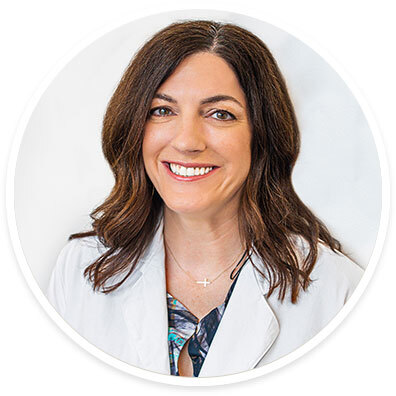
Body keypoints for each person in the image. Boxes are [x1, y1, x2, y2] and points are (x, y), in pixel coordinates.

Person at [47, 20, 363, 378]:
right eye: (162, 110)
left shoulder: (338, 291)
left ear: (263, 135)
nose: (187, 141)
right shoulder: (80, 272)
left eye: (220, 114)